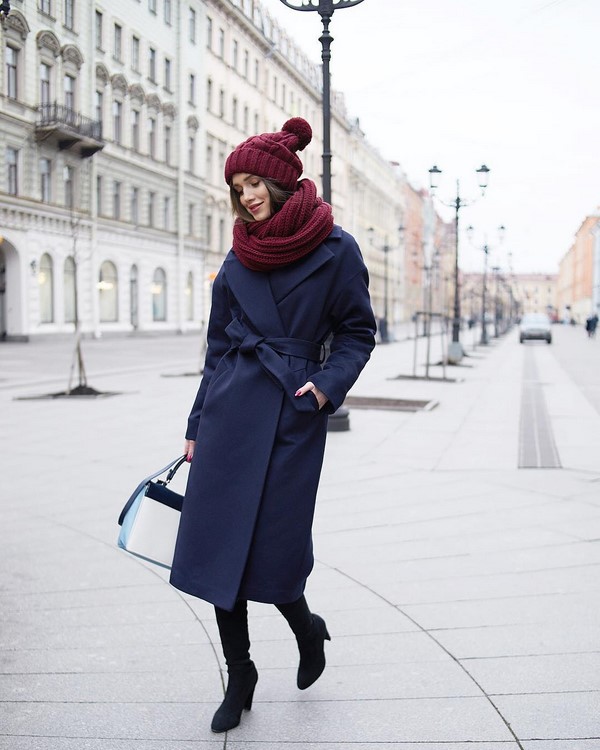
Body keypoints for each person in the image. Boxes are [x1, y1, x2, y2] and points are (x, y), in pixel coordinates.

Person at [169, 118, 376, 733]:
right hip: (230, 411)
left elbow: (358, 332)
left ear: (281, 182)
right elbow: (216, 352)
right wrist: (196, 424)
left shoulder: (336, 248)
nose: (248, 196)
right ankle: (241, 674)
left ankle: (307, 629)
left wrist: (327, 385)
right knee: (219, 548)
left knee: (277, 549)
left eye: (255, 183)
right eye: (238, 188)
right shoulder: (238, 255)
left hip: (292, 410)